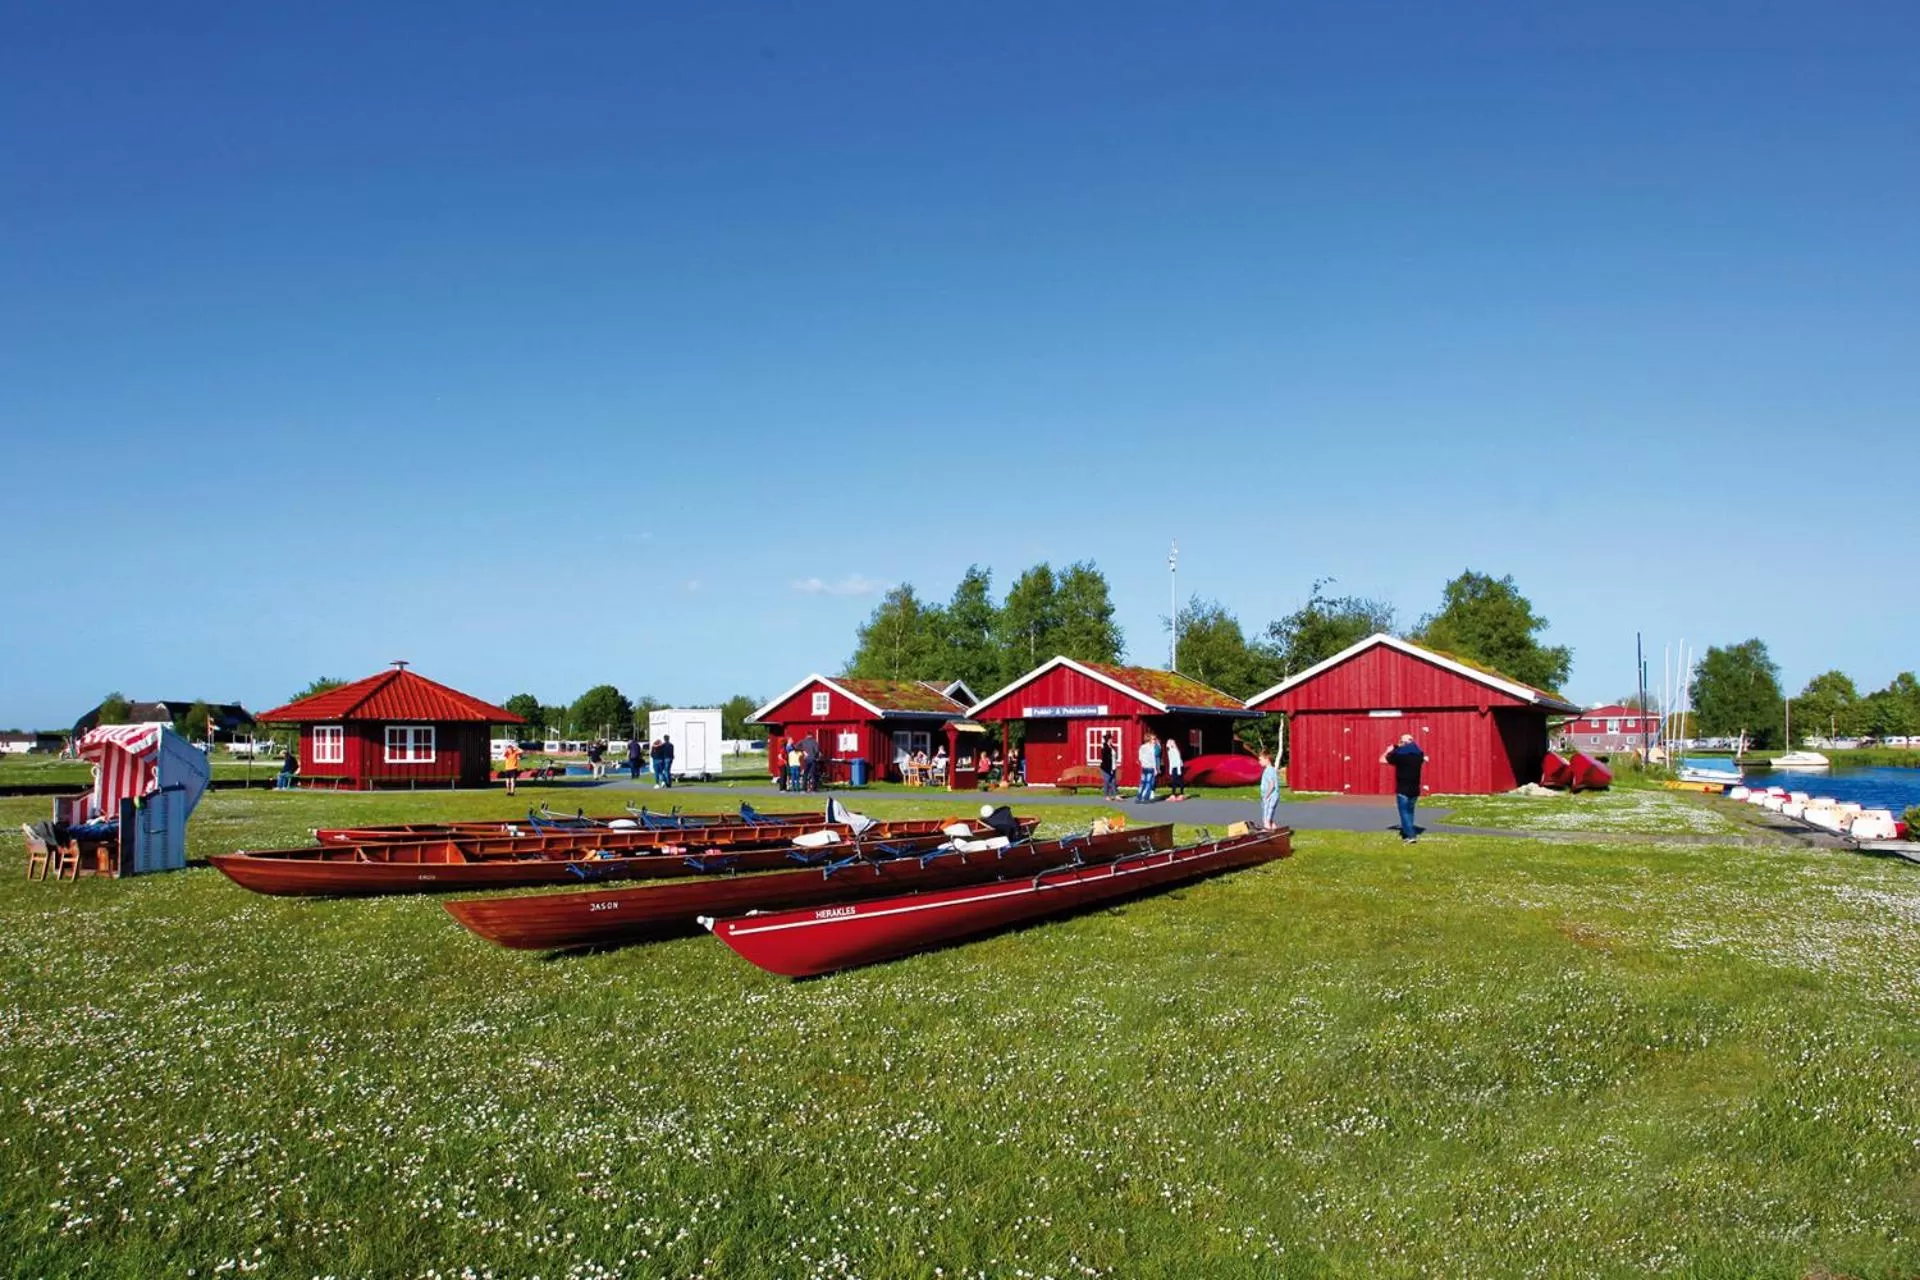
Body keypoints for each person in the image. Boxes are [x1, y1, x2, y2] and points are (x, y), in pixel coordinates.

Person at [1380, 733, 1427, 843]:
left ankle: (1410, 836)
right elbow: (1414, 750)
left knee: (1404, 812)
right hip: (1415, 789)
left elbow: (1382, 760)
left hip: (1403, 789)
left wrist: (1389, 750)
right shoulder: (1419, 755)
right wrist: (1399, 747)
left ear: (1403, 743)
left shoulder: (1399, 756)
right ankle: (1409, 832)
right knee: (1410, 812)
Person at [1258, 751, 1280, 830]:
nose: (1259, 762)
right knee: (1270, 817)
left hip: (1270, 797)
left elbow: (1272, 784)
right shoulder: (1272, 769)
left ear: (1267, 759)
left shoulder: (1269, 770)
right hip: (1273, 796)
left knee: (1265, 818)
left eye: (1260, 759)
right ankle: (1275, 830)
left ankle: (1267, 831)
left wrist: (1266, 795)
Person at [1136, 736, 1157, 803]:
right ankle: (1144, 798)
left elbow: (1140, 758)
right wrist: (1155, 769)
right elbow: (1153, 759)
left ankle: (1139, 797)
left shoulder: (1142, 747)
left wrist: (1143, 763)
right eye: (1153, 739)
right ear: (1150, 740)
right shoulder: (1151, 748)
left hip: (1144, 767)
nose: (1154, 740)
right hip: (1150, 767)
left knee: (1142, 782)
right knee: (1148, 783)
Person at [1165, 737, 1185, 802]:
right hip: (1174, 767)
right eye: (1167, 742)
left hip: (1179, 766)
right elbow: (1170, 761)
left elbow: (1178, 760)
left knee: (1179, 780)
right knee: (1173, 781)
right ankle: (1173, 795)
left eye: (1169, 742)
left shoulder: (1175, 750)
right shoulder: (1169, 751)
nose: (1167, 744)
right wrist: (1170, 769)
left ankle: (1181, 795)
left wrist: (1179, 770)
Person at [1098, 735, 1118, 800]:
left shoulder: (1112, 747)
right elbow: (1105, 759)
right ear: (1108, 740)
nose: (1112, 739)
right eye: (1111, 739)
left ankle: (1115, 795)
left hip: (1113, 766)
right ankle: (1106, 796)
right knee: (1107, 781)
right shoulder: (1105, 748)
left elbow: (1115, 756)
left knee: (1113, 781)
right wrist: (1110, 769)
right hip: (1106, 768)